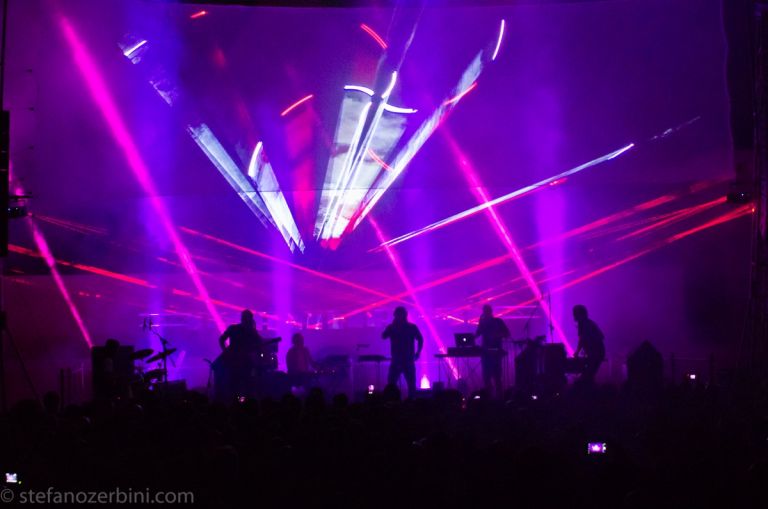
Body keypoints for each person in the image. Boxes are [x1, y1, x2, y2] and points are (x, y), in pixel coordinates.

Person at [217, 310, 263, 399]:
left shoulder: (234, 328)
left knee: (235, 385)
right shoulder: (250, 332)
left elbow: (221, 340)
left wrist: (226, 352)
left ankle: (235, 404)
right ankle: (244, 404)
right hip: (243, 362)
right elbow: (260, 342)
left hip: (237, 362)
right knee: (245, 385)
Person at [382, 306, 423, 398]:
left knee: (402, 385)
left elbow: (420, 339)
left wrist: (418, 352)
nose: (399, 317)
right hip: (400, 360)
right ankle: (407, 404)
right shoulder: (396, 327)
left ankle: (396, 403)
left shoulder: (411, 327)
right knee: (396, 385)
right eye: (398, 315)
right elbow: (383, 336)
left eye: (400, 315)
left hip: (403, 360)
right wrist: (418, 353)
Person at [475, 304, 510, 398]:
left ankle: (499, 398)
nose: (485, 313)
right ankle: (488, 397)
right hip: (486, 352)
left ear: (490, 311)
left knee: (497, 377)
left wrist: (496, 335)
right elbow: (477, 333)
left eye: (487, 311)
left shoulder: (498, 321)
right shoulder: (482, 322)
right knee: (486, 377)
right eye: (484, 311)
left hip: (496, 352)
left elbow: (507, 333)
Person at [572, 305, 605, 383]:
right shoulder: (587, 322)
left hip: (596, 353)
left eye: (574, 314)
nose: (573, 316)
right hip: (597, 352)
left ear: (579, 314)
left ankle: (590, 393)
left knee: (588, 376)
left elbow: (582, 340)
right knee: (589, 375)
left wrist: (577, 352)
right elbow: (601, 336)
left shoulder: (583, 324)